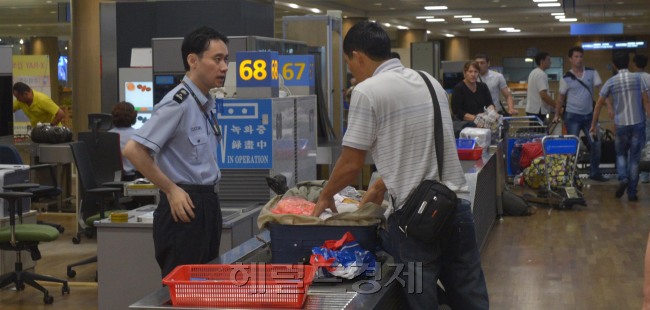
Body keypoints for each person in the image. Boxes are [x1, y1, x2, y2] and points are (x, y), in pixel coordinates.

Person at [312, 21, 488, 310]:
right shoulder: (429, 81)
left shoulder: (367, 91)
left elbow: (350, 163)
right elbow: (420, 147)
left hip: (416, 224)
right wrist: (381, 183)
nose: (352, 72)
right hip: (456, 207)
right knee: (470, 294)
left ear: (358, 56)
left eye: (349, 64)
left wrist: (325, 194)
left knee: (422, 299)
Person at [123, 26, 229, 277]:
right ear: (193, 60)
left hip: (206, 204)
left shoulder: (204, 104)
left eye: (226, 59)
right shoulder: (177, 103)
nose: (224, 67)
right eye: (217, 59)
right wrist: (171, 190)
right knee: (182, 291)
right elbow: (133, 149)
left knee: (205, 287)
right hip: (184, 209)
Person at [590, 51, 650, 202]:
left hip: (621, 125)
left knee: (621, 154)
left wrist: (593, 124)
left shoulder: (611, 82)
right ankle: (632, 193)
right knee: (635, 159)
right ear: (629, 63)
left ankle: (623, 178)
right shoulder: (638, 79)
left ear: (614, 65)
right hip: (638, 124)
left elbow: (598, 105)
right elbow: (646, 102)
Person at [556, 46, 607, 182]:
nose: (579, 59)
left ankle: (594, 172)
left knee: (596, 143)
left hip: (590, 115)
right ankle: (570, 174)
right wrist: (556, 114)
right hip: (572, 116)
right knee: (572, 145)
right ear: (570, 59)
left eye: (581, 56)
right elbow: (560, 98)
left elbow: (601, 91)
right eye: (576, 57)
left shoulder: (592, 72)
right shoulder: (566, 78)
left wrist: (609, 105)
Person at [631, 54, 650, 184]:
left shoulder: (630, 78)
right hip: (648, 115)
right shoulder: (649, 78)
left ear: (634, 64)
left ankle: (636, 175)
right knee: (648, 146)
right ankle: (645, 175)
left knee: (636, 147)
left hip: (633, 117)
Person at [109, 101, 138, 181]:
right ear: (134, 116)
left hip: (110, 179)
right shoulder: (138, 135)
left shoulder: (107, 136)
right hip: (133, 179)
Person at [526, 52, 557, 122]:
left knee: (534, 131)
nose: (550, 62)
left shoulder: (533, 72)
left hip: (531, 110)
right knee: (540, 132)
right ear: (542, 61)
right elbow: (543, 95)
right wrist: (556, 106)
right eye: (548, 60)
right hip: (538, 111)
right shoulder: (541, 74)